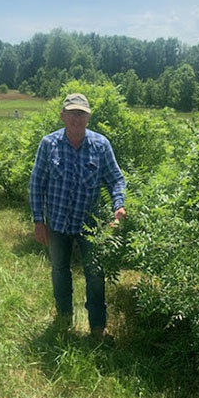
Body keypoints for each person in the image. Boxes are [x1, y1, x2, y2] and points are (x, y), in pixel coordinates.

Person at [29, 93, 126, 338]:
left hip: (90, 225)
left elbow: (116, 179)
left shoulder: (100, 145)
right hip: (58, 223)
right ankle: (64, 319)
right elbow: (36, 183)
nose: (76, 118)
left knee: (94, 274)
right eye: (72, 113)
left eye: (81, 113)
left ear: (88, 117)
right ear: (63, 116)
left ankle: (97, 327)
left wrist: (119, 206)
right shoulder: (48, 144)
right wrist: (39, 221)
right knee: (60, 271)